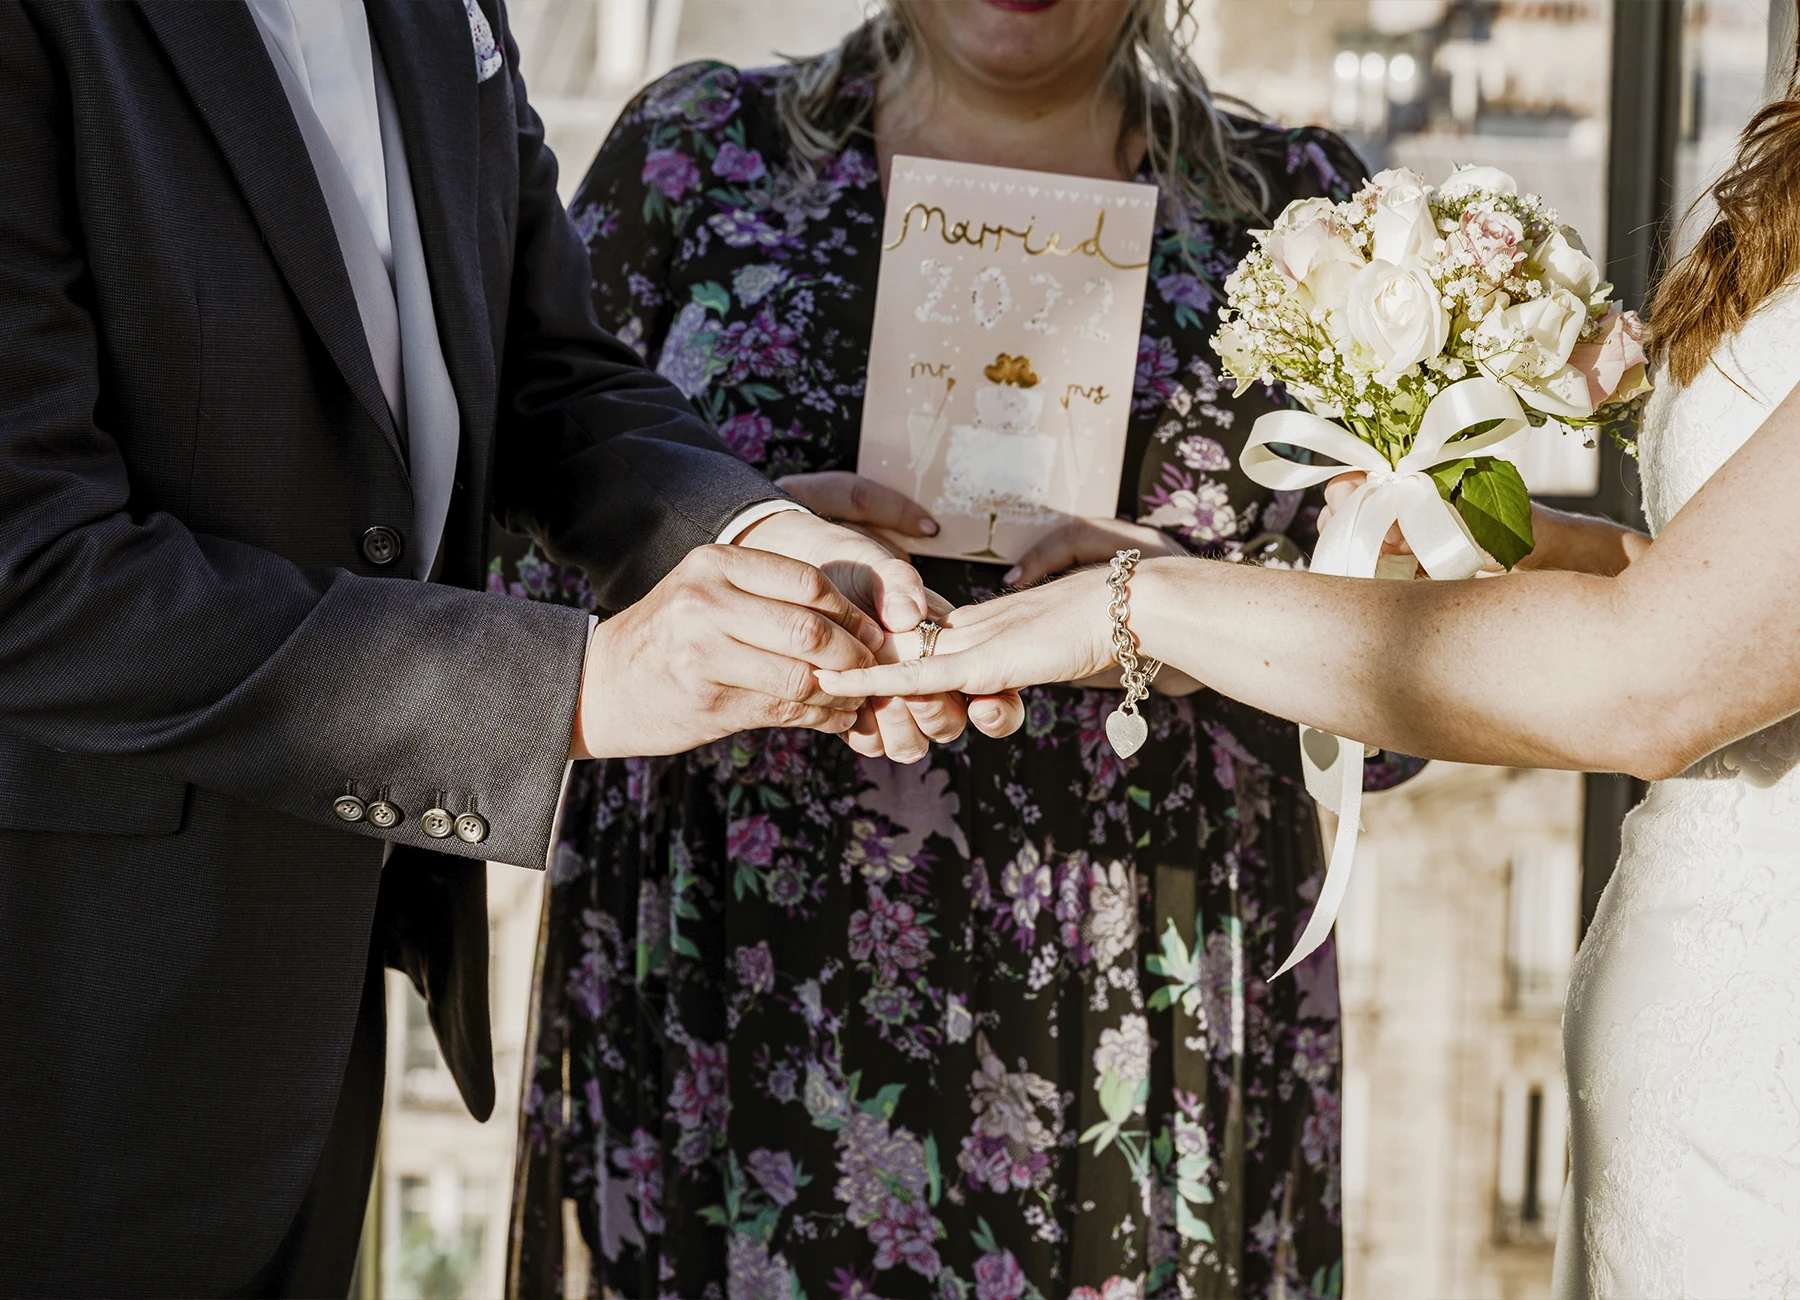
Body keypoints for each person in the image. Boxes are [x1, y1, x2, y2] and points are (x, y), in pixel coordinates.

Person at [0, 1, 984, 1294]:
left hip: (305, 1015)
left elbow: (546, 378)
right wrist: (576, 688)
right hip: (67, 1014)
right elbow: (34, 568)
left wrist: (763, 541)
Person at [496, 2, 1423, 1293]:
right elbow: (492, 580)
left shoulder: (1309, 220)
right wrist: (713, 537)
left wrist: (1201, 614)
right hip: (740, 1012)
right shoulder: (691, 157)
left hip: (1130, 1038)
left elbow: (1398, 720)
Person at [824, 79, 1800, 1297]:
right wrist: (1532, 548)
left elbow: (1661, 679)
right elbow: (1718, 603)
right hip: (1680, 1066)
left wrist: (1139, 605)